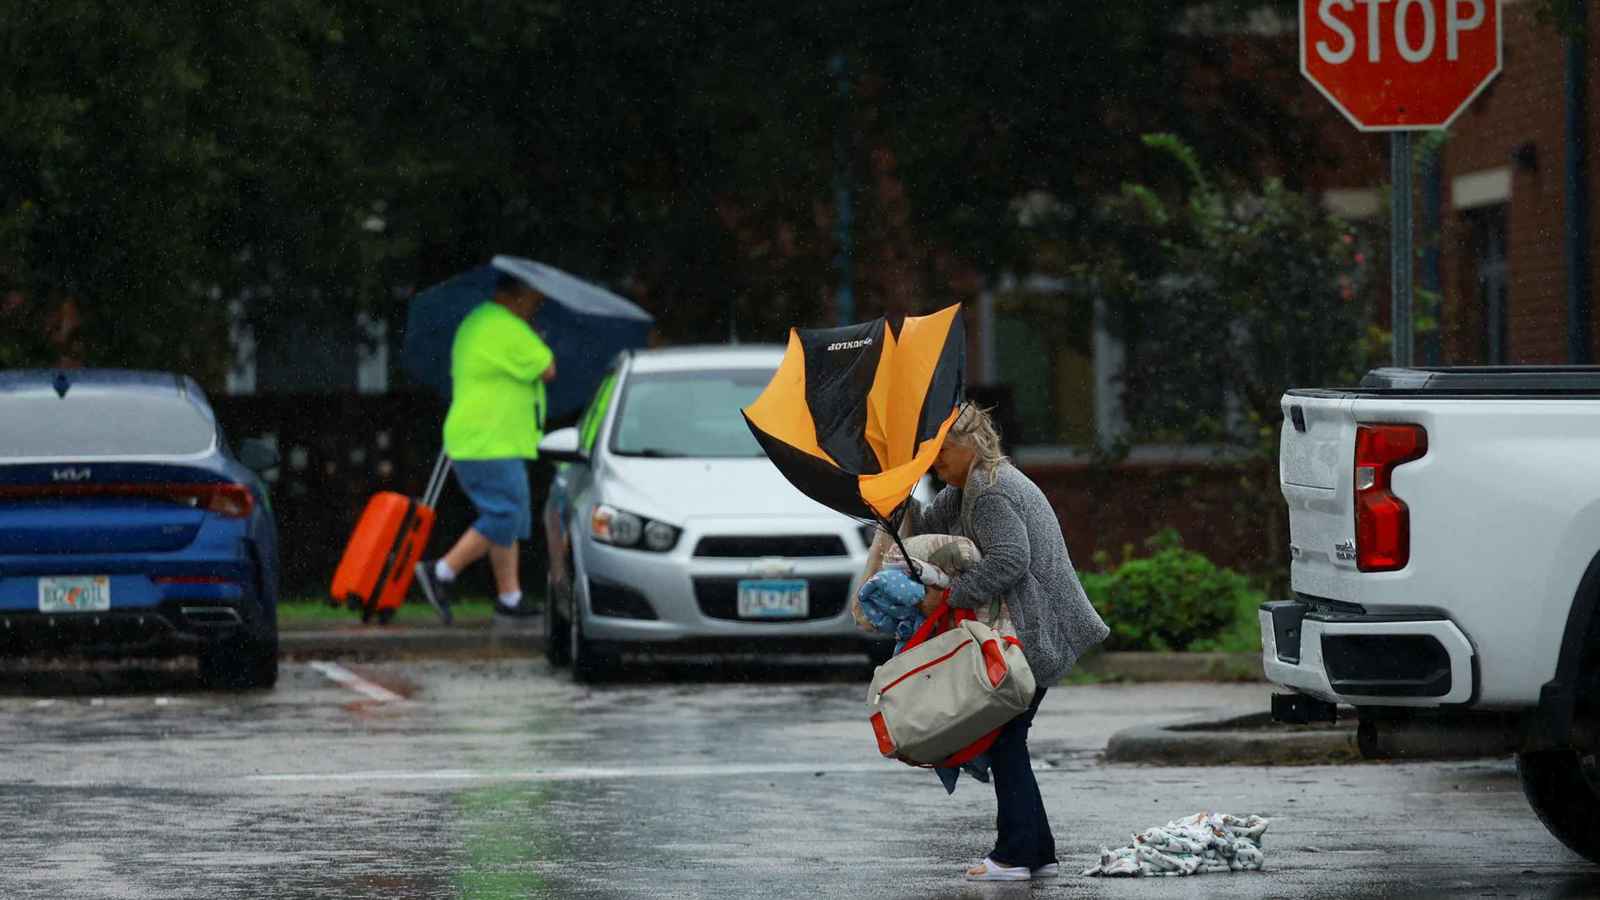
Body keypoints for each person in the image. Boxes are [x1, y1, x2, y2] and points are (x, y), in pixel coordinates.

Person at [907, 404, 1110, 882]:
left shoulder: (991, 490)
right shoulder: (965, 491)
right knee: (1007, 737)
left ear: (969, 446)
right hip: (1030, 626)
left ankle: (1017, 853)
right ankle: (1034, 850)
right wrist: (891, 497)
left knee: (1004, 736)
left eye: (940, 451)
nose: (934, 461)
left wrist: (950, 596)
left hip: (1037, 628)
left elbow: (1010, 560)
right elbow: (925, 524)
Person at [415, 273, 556, 619]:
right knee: (504, 513)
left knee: (507, 516)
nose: (536, 308)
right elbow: (547, 368)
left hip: (485, 438)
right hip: (489, 440)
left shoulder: (479, 322)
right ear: (517, 296)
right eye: (534, 300)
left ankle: (510, 597)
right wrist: (536, 340)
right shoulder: (506, 327)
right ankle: (441, 571)